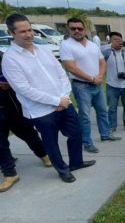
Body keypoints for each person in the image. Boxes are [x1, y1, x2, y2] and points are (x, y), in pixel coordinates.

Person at [2, 14, 95, 183]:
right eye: (23, 31)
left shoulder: (43, 50)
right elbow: (23, 89)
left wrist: (64, 97)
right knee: (51, 143)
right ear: (11, 32)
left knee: (76, 133)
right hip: (41, 111)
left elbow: (61, 74)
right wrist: (56, 101)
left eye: (30, 30)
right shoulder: (10, 58)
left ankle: (76, 163)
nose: (29, 34)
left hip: (64, 102)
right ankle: (62, 169)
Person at [60, 17, 121, 154]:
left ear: (84, 29)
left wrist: (99, 77)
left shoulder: (93, 45)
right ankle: (87, 142)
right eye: (73, 28)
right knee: (85, 116)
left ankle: (105, 134)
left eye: (80, 28)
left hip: (97, 84)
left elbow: (102, 62)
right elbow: (71, 68)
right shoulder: (66, 45)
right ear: (68, 29)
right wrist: (92, 79)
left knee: (102, 111)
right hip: (81, 86)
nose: (77, 31)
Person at [0, 51, 51, 192]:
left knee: (30, 135)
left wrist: (10, 84)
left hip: (12, 108)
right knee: (0, 144)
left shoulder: (5, 58)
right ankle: (10, 173)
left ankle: (44, 155)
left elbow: (23, 78)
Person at [101, 31, 125, 133]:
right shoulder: (107, 52)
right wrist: (110, 45)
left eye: (120, 40)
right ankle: (112, 126)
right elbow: (99, 51)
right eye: (115, 40)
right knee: (112, 108)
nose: (118, 42)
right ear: (110, 40)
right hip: (112, 84)